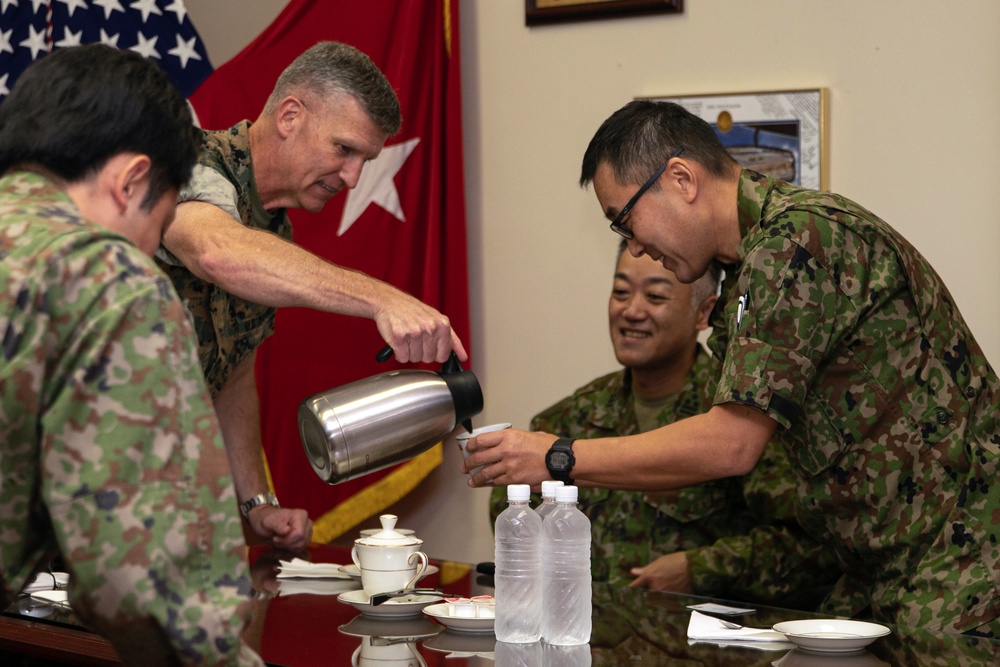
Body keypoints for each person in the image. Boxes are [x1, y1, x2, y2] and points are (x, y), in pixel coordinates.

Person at [464, 100, 1000, 635]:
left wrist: (559, 456)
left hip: (961, 556)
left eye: (625, 220)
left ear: (680, 179)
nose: (635, 246)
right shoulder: (744, 266)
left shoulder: (798, 240)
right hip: (879, 565)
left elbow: (731, 445)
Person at [0, 45, 263, 666]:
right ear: (132, 181)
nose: (149, 254)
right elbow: (145, 583)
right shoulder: (105, 279)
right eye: (162, 224)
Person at [156, 41, 468, 550]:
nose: (351, 177)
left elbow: (232, 377)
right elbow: (215, 251)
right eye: (343, 150)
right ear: (290, 116)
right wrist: (381, 299)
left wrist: (258, 505)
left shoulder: (273, 237)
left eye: (364, 160)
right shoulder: (187, 160)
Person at [488, 242, 835, 608]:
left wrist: (699, 568)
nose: (632, 311)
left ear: (704, 313)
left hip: (701, 647)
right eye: (621, 292)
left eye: (655, 296)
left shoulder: (741, 418)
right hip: (587, 642)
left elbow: (810, 548)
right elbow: (513, 526)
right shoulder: (565, 421)